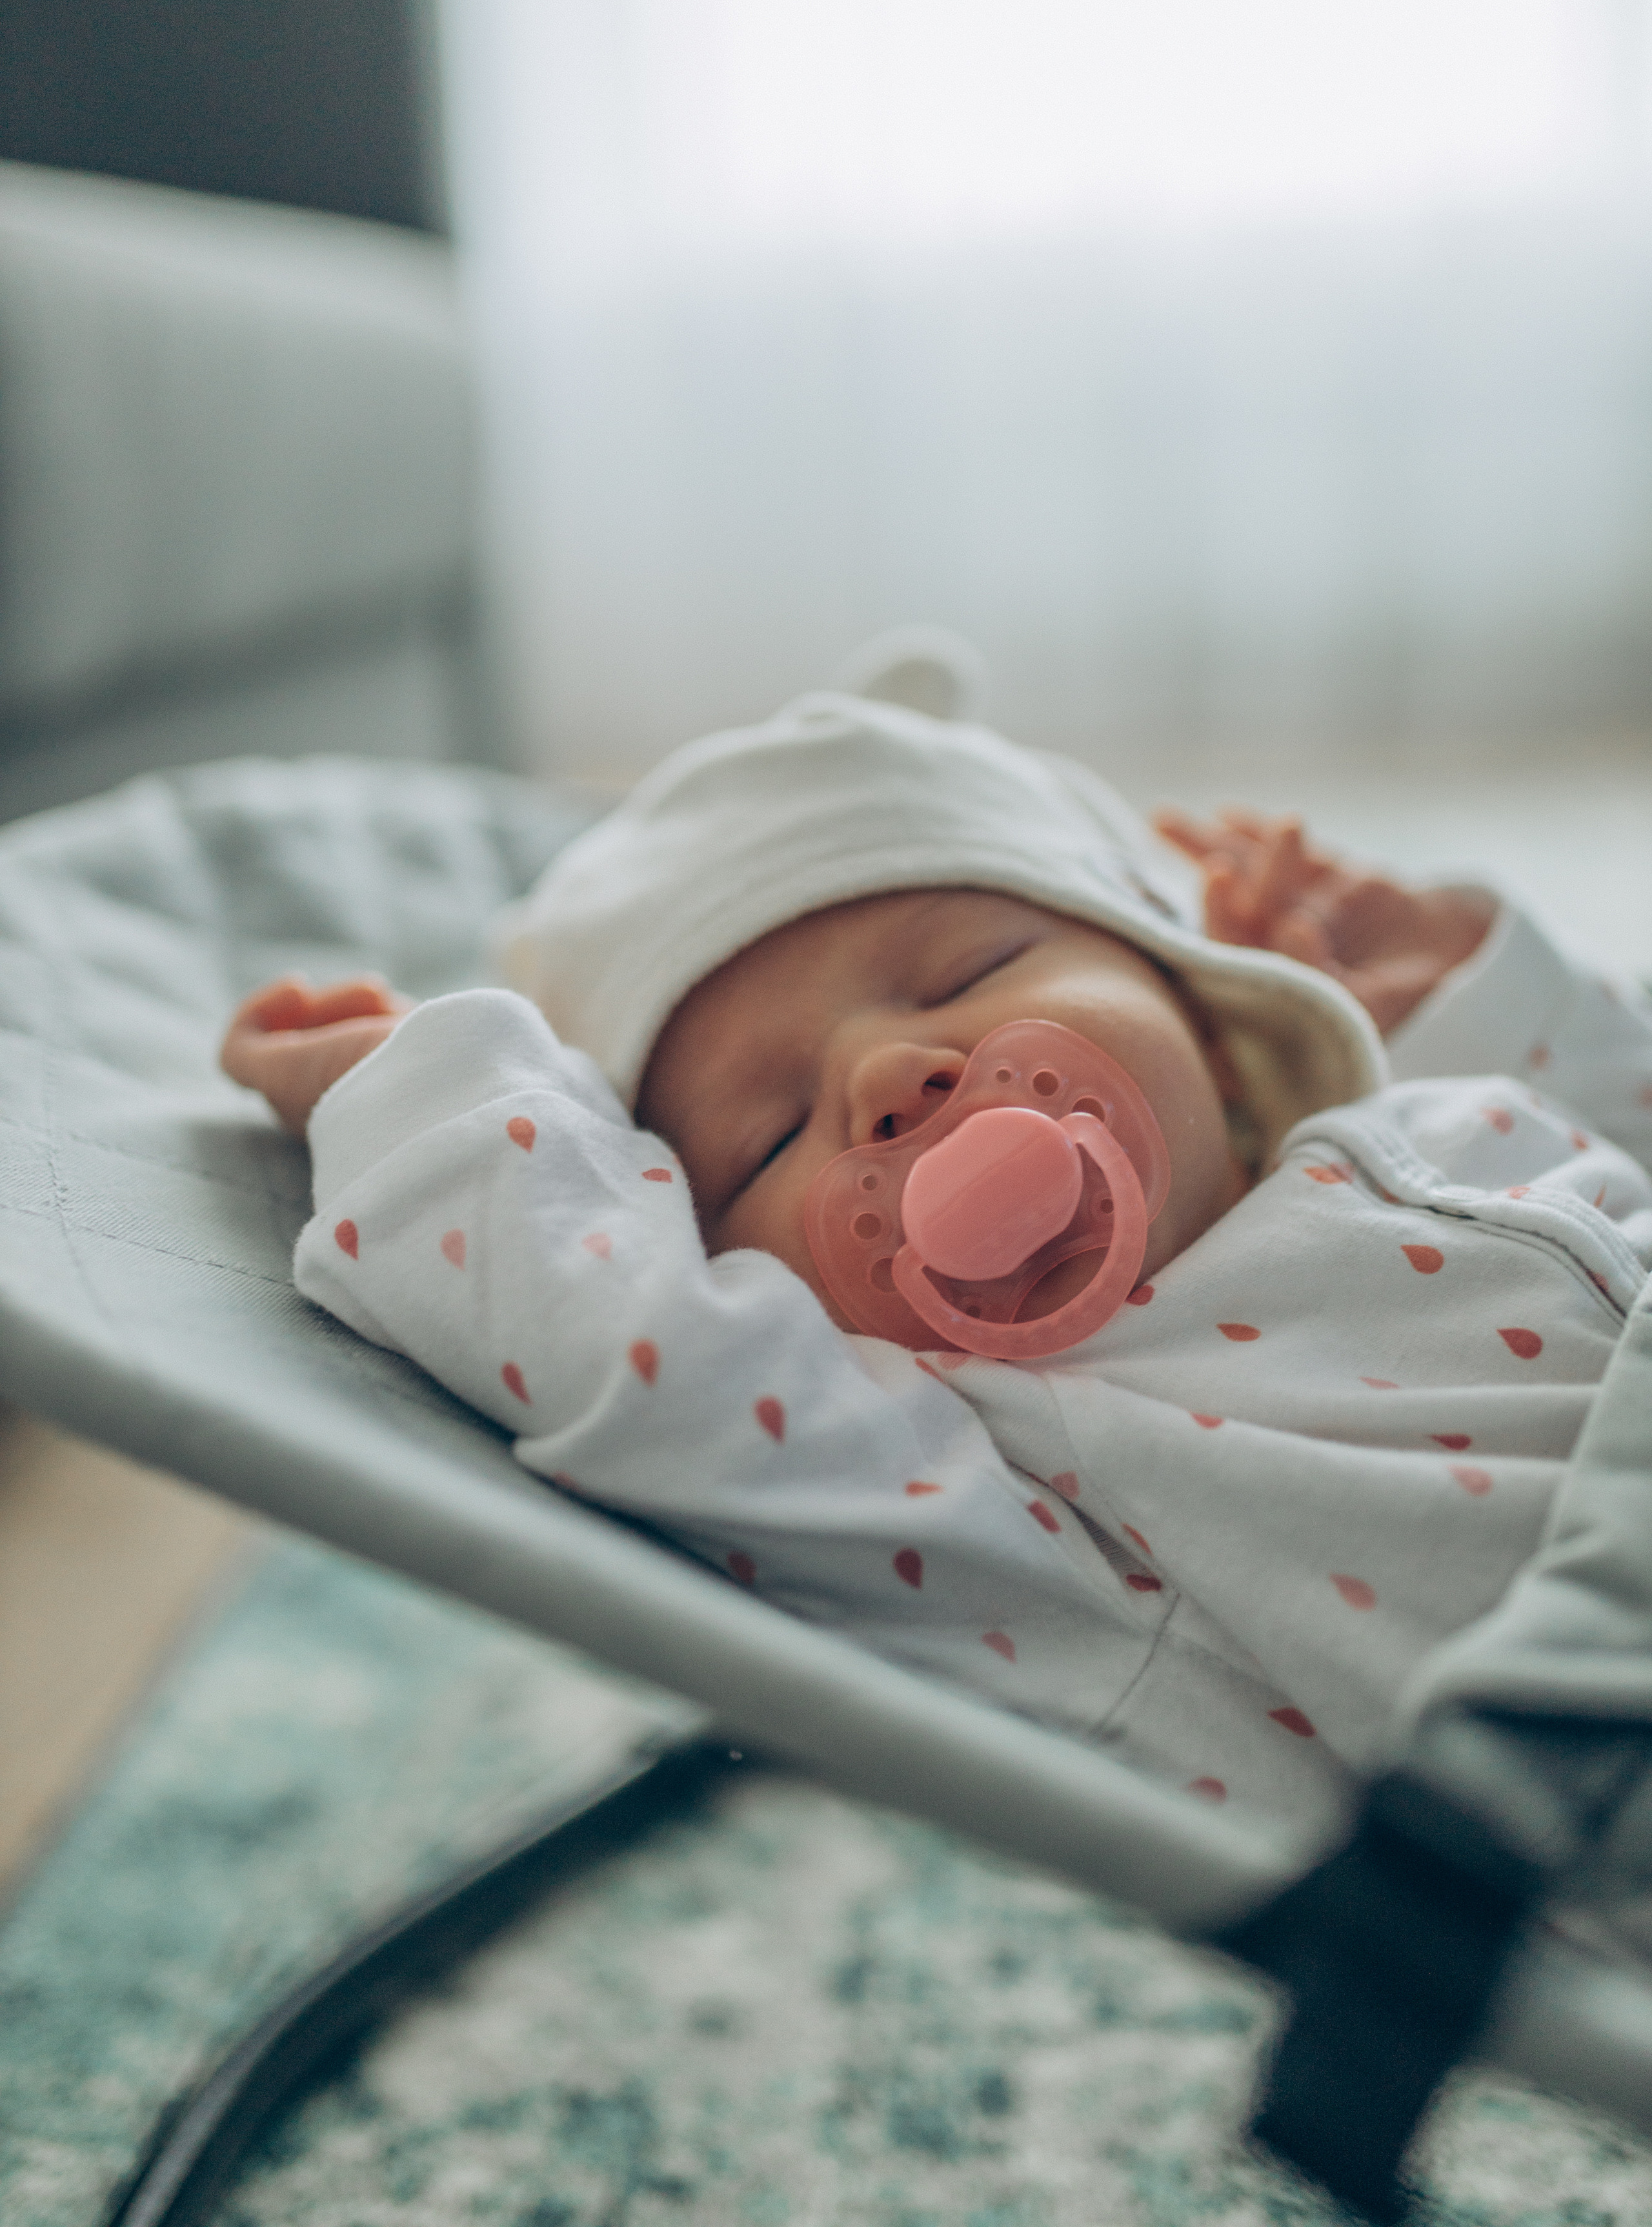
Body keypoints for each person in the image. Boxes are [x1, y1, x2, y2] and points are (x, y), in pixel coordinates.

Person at [219, 684, 1652, 1836]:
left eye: (965, 974)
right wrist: (426, 1097)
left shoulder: (1417, 1115)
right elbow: (628, 1351)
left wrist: (1476, 991)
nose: (889, 1075)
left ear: (1207, 1014)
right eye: (766, 1138)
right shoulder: (1004, 1484)